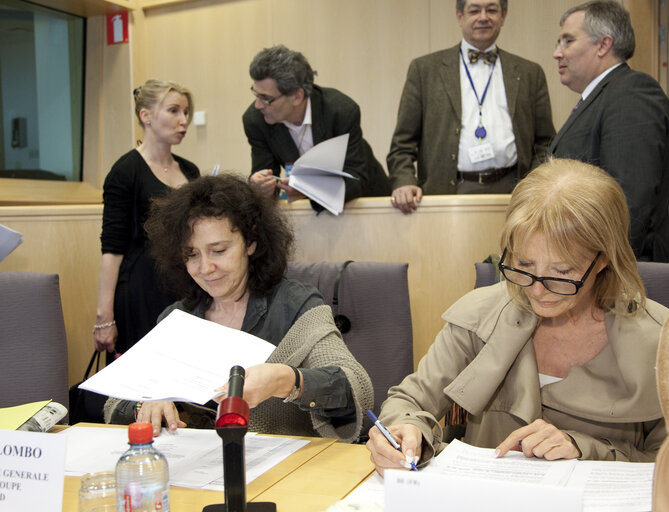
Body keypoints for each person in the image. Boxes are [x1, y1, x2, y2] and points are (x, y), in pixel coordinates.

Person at [367, 158, 669, 473]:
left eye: (562, 272)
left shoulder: (656, 340)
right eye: (524, 265)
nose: (537, 291)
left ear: (603, 260)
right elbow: (409, 400)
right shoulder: (480, 317)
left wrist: (583, 448)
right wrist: (404, 430)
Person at [103, 175, 373, 442]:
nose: (206, 268)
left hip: (287, 473)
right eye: (192, 254)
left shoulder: (296, 306)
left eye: (218, 250)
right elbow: (114, 402)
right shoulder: (179, 318)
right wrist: (145, 405)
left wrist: (288, 380)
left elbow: (356, 389)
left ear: (251, 242)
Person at [388, 0, 556, 214]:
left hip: (515, 192)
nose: (483, 17)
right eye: (474, 10)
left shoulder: (530, 73)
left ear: (503, 15)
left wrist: (535, 186)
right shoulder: (424, 70)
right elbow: (402, 143)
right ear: (460, 16)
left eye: (492, 10)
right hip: (447, 191)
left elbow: (546, 142)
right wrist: (403, 180)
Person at [548, 1, 669, 262]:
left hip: (614, 273)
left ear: (603, 45)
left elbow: (628, 201)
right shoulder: (602, 97)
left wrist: (601, 269)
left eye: (567, 41)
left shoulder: (632, 93)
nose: (557, 53)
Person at [94, 79, 200, 362]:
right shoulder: (125, 171)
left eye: (186, 112)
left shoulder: (190, 170)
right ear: (146, 116)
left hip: (186, 284)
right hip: (141, 288)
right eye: (174, 111)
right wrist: (104, 316)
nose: (183, 120)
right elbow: (112, 249)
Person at [243, 45, 390, 211]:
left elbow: (356, 178)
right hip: (314, 212)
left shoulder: (340, 111)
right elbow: (265, 174)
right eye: (256, 94)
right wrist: (259, 188)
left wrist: (309, 192)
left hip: (364, 202)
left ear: (297, 96)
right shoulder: (255, 121)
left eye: (266, 98)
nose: (258, 105)